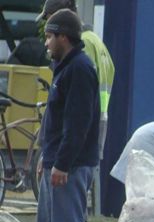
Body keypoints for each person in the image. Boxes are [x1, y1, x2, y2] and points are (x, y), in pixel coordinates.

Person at [37, 9, 100, 222]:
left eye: (50, 36)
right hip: (55, 162)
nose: (46, 42)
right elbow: (54, 118)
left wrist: (61, 163)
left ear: (64, 36)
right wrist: (44, 157)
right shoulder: (63, 68)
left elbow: (78, 123)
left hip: (70, 167)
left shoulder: (80, 69)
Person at [36, 0, 115, 157]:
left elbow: (77, 92)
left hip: (77, 131)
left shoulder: (81, 44)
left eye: (49, 18)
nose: (48, 23)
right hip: (95, 122)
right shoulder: (95, 40)